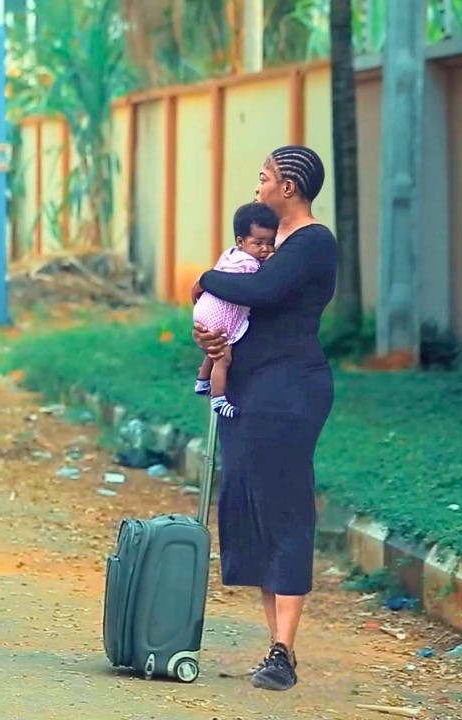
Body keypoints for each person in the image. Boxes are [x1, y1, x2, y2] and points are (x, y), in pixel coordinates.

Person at [190, 144, 337, 692]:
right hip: (249, 389)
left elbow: (261, 291)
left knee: (285, 507)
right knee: (252, 506)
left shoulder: (312, 243)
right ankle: (274, 645)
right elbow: (242, 307)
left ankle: (284, 650)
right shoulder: (271, 245)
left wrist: (207, 276)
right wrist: (210, 335)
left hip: (289, 392)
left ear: (289, 188)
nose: (258, 189)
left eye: (264, 179)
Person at [192, 202, 278, 418]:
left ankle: (202, 381)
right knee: (224, 356)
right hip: (222, 313)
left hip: (206, 307)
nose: (265, 249)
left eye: (270, 243)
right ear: (241, 242)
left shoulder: (230, 254)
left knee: (214, 350)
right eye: (258, 243)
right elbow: (258, 284)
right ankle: (219, 399)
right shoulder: (249, 264)